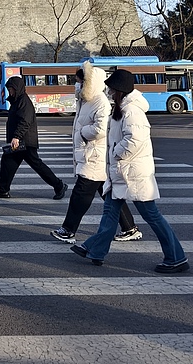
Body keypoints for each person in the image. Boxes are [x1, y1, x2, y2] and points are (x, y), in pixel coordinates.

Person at [71, 69, 188, 273]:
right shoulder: (122, 108)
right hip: (121, 173)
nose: (108, 91)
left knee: (152, 215)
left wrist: (116, 153)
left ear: (120, 91)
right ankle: (95, 250)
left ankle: (176, 257)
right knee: (109, 212)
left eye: (111, 88)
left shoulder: (132, 111)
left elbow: (135, 139)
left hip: (133, 174)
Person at [51, 64, 140, 244]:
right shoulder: (86, 100)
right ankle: (130, 228)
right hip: (90, 154)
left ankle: (68, 230)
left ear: (90, 82)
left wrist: (82, 132)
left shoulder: (100, 101)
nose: (77, 85)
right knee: (110, 194)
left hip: (95, 156)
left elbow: (100, 129)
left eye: (79, 81)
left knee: (80, 195)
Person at [0, 75, 67, 200]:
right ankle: (3, 189)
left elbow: (25, 121)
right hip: (19, 142)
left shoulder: (24, 101)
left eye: (11, 89)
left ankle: (59, 185)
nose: (10, 91)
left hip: (25, 142)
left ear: (17, 88)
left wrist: (16, 137)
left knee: (37, 165)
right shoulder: (17, 100)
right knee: (8, 162)